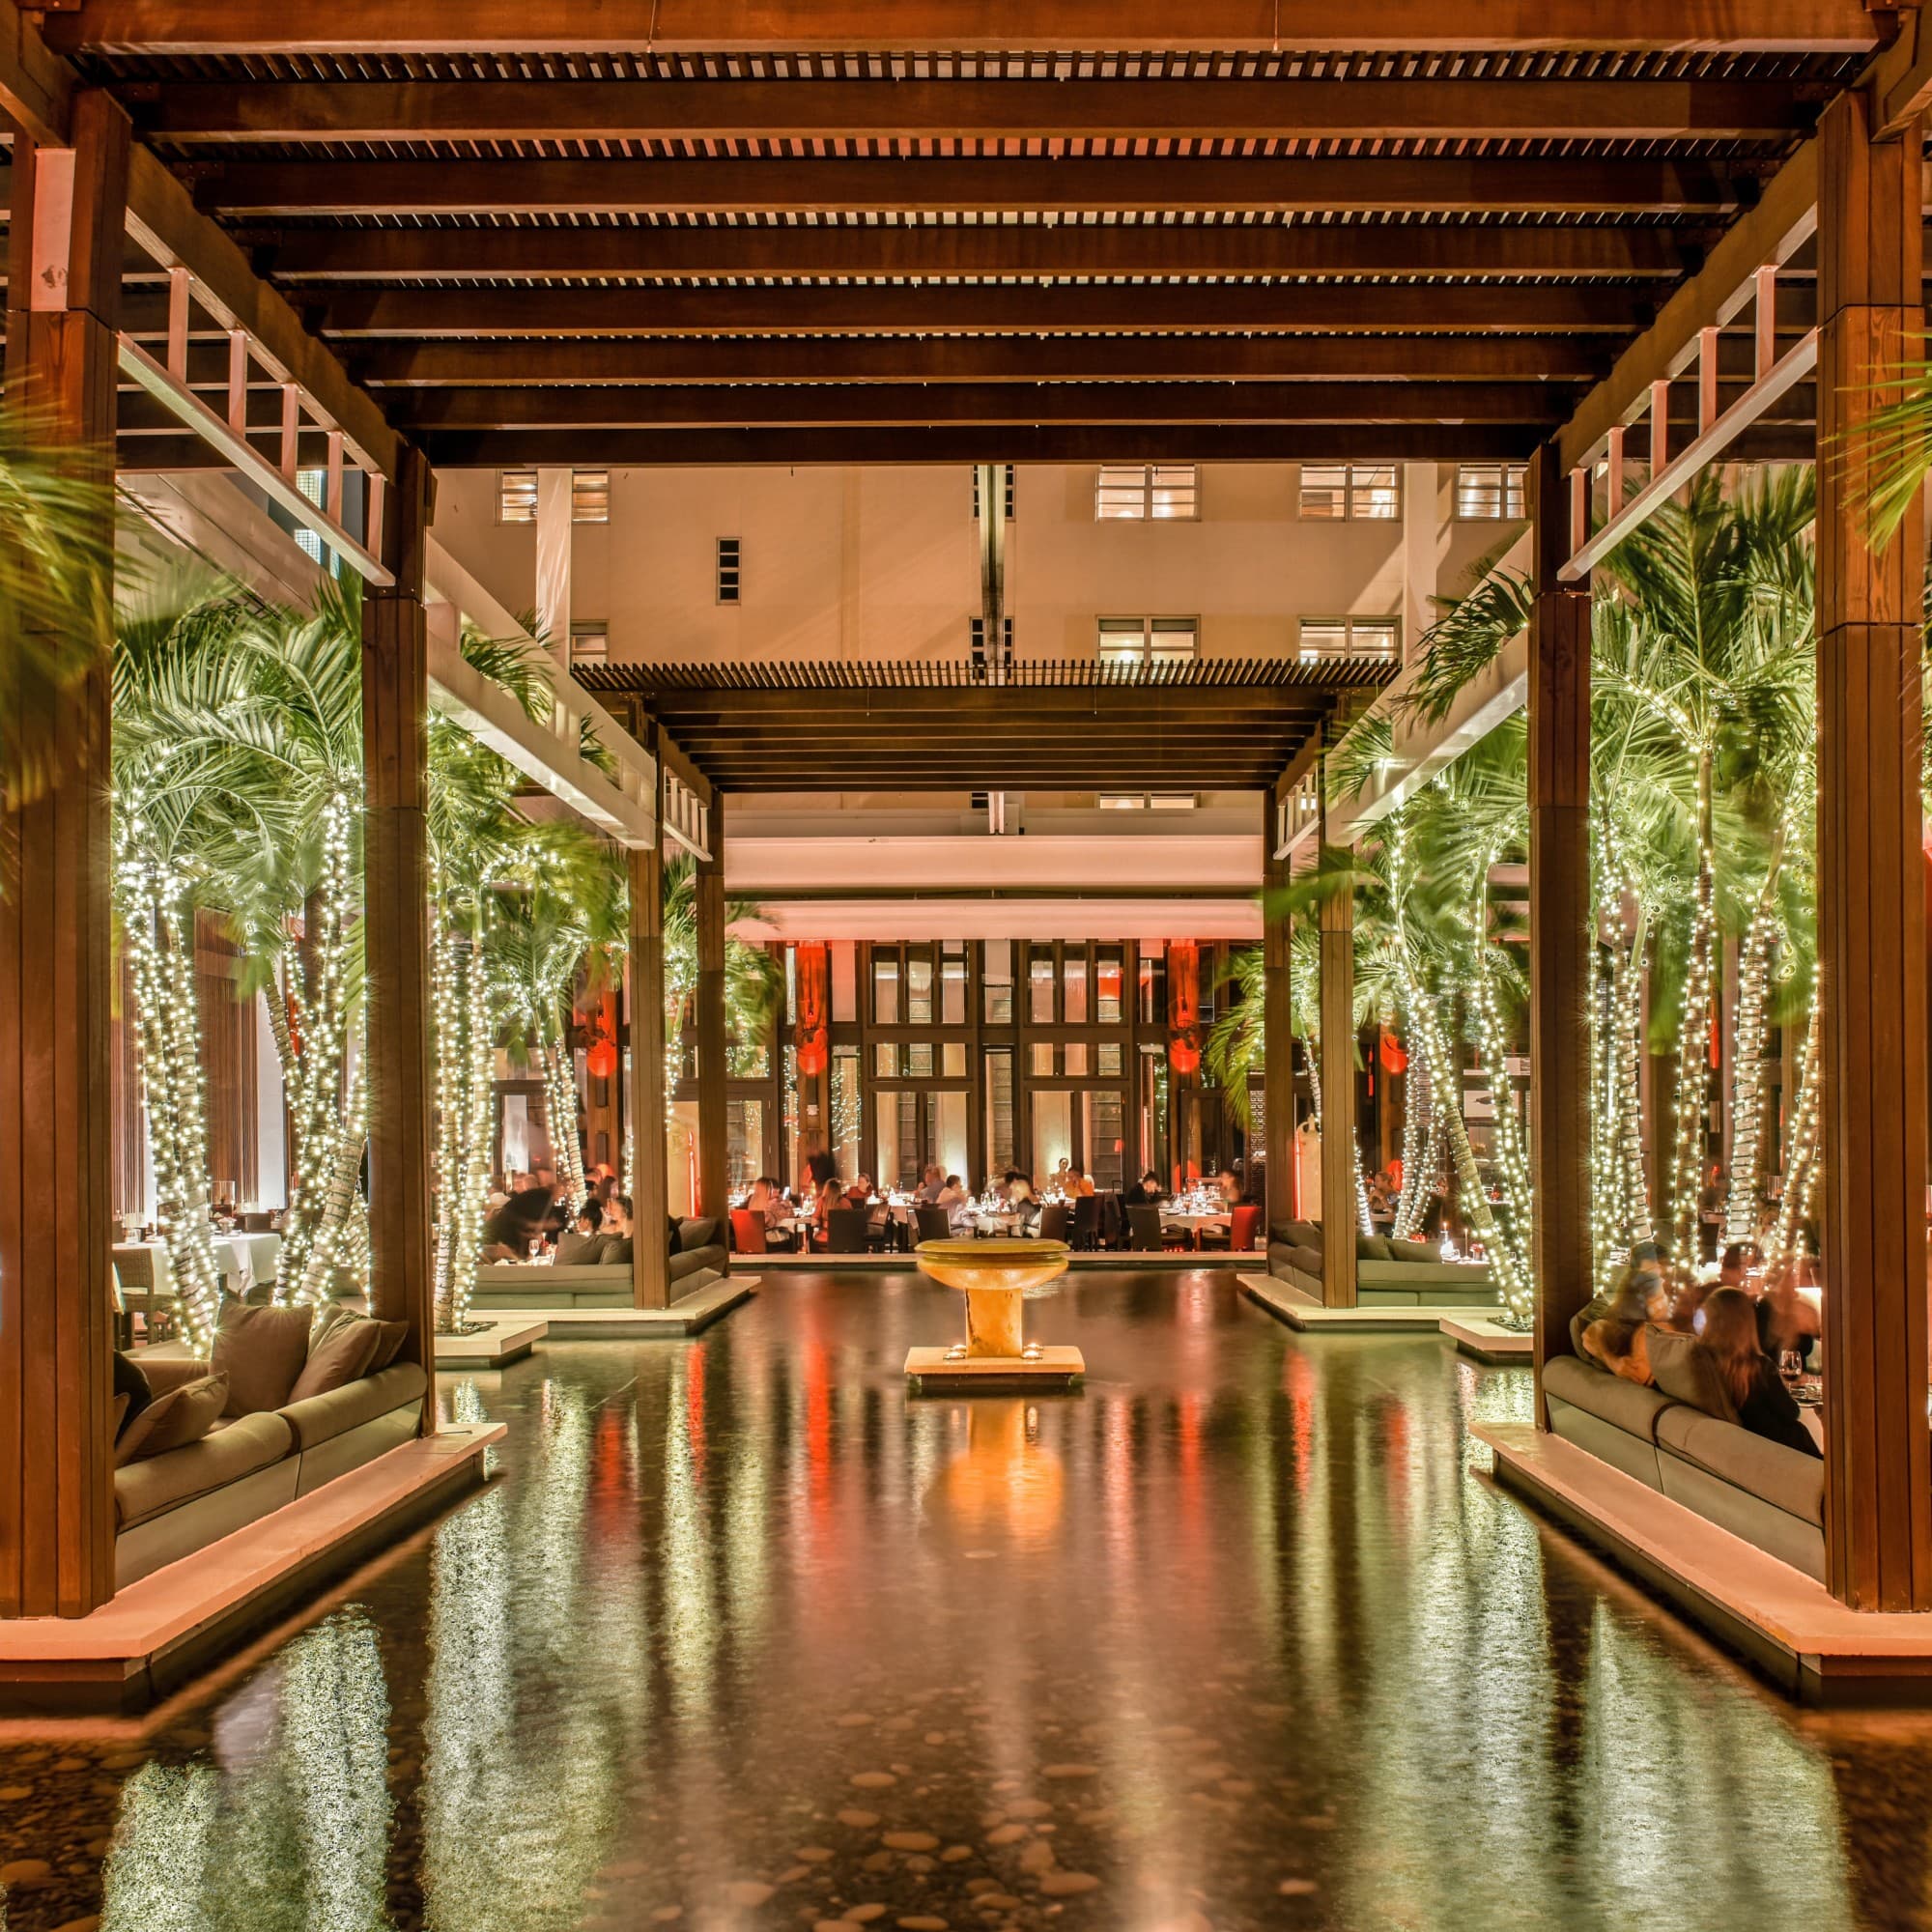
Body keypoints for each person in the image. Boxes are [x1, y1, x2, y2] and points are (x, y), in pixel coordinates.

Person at [1696, 1286, 1820, 1458]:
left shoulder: (1706, 1363)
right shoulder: (1758, 1368)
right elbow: (1792, 1411)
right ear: (1746, 1323)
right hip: (1784, 1453)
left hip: (1750, 1447)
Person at [1581, 1263, 1671, 1384]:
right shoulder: (1634, 1333)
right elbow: (1590, 1335)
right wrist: (1614, 1362)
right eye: (1657, 1299)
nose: (1662, 1304)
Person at [600, 1195, 636, 1266]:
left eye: (615, 1208)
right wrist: (606, 1221)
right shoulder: (612, 1227)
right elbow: (602, 1231)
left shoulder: (632, 1224)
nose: (611, 1211)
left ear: (625, 1210)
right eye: (611, 1208)